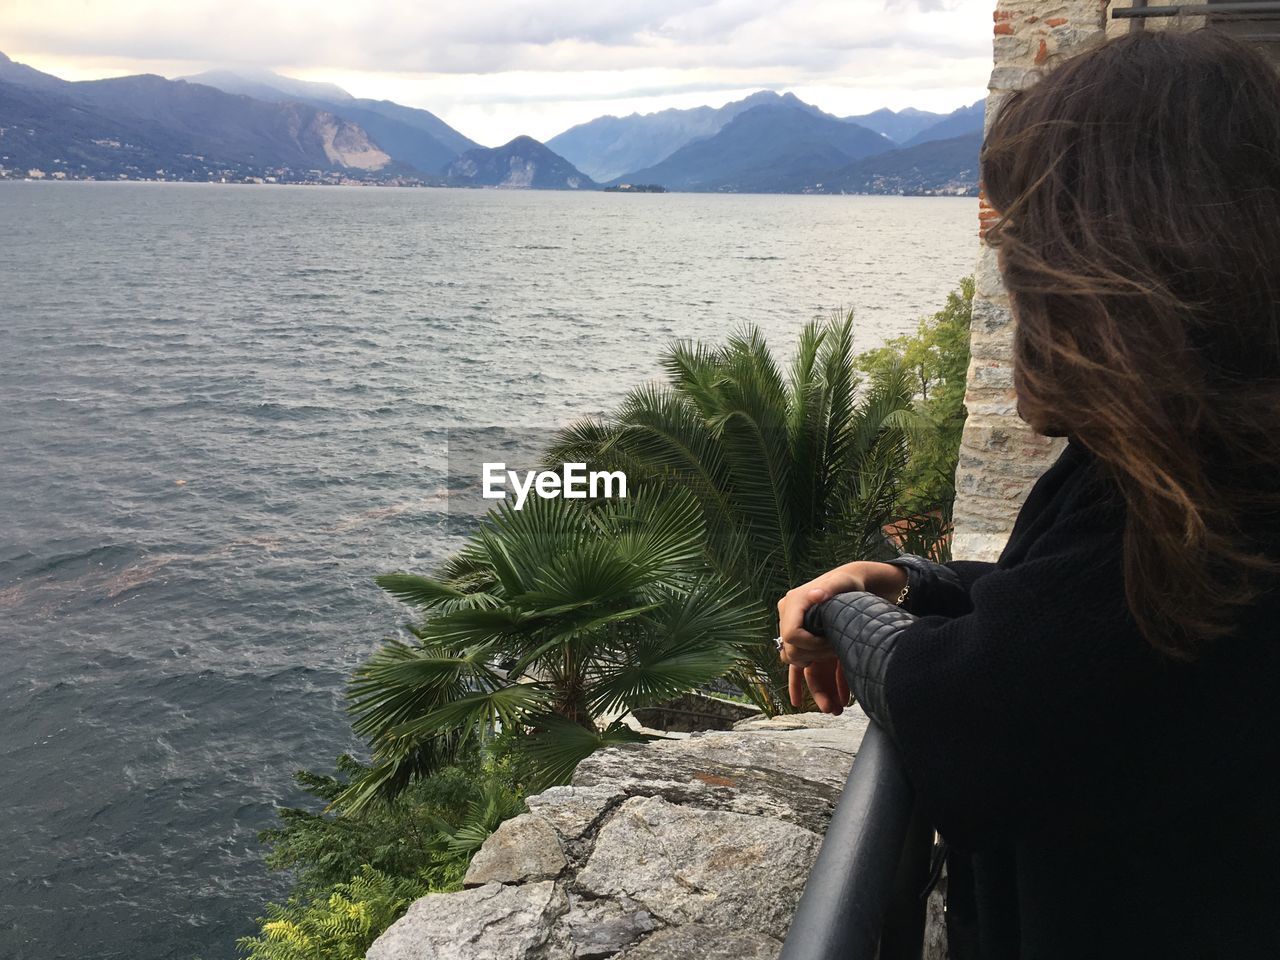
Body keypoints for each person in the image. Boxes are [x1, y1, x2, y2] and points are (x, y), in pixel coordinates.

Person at [775, 28, 1280, 960]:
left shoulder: (1194, 505)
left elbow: (963, 707)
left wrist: (841, 614)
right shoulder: (1187, 464)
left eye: (1022, 259)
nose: (1010, 297)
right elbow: (1059, 620)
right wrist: (912, 579)